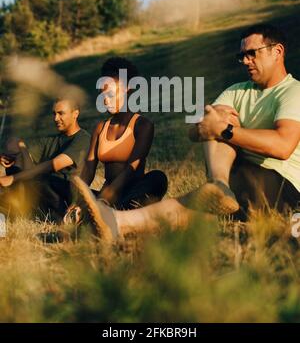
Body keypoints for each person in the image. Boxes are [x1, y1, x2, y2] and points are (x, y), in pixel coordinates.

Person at [66, 23, 300, 240]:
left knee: (192, 201)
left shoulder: (293, 92)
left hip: (280, 185)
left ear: (277, 51)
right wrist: (212, 127)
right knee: (199, 203)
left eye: (252, 53)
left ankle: (117, 219)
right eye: (242, 56)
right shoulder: (237, 91)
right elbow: (198, 129)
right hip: (237, 178)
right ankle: (118, 222)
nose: (246, 61)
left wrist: (226, 130)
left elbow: (282, 146)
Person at [65, 57, 167, 223]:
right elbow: (89, 169)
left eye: (111, 94)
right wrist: (79, 198)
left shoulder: (142, 125)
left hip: (132, 191)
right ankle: (99, 214)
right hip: (106, 195)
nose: (105, 100)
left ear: (127, 89)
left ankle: (115, 215)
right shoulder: (100, 128)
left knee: (157, 178)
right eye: (102, 95)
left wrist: (104, 198)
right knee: (58, 185)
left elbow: (132, 168)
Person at [0, 98, 90, 220]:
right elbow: (24, 155)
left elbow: (53, 165)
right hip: (44, 190)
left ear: (75, 114)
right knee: (19, 168)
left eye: (61, 113)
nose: (55, 118)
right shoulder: (52, 140)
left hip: (66, 194)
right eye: (54, 114)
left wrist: (12, 178)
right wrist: (14, 152)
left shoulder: (83, 139)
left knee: (39, 180)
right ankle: (17, 209)